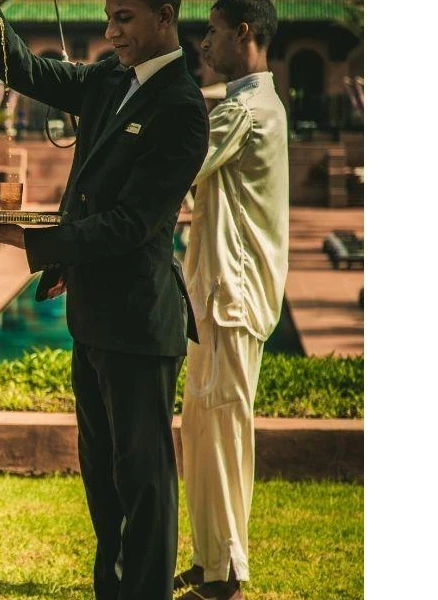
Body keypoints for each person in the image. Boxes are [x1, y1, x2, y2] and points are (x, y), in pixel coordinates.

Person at [0, 2, 208, 599]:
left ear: (165, 16)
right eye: (108, 18)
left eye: (124, 18)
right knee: (103, 481)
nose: (111, 31)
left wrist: (31, 239)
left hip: (140, 325)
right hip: (91, 319)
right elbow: (32, 74)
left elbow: (131, 224)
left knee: (144, 483)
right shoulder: (108, 78)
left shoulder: (182, 109)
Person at [175, 2, 288, 599]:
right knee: (202, 429)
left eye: (214, 31)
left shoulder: (245, 111)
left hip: (230, 297)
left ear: (242, 32)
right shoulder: (253, 105)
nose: (204, 43)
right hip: (217, 296)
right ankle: (209, 560)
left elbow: (176, 162)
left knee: (220, 431)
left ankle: (227, 575)